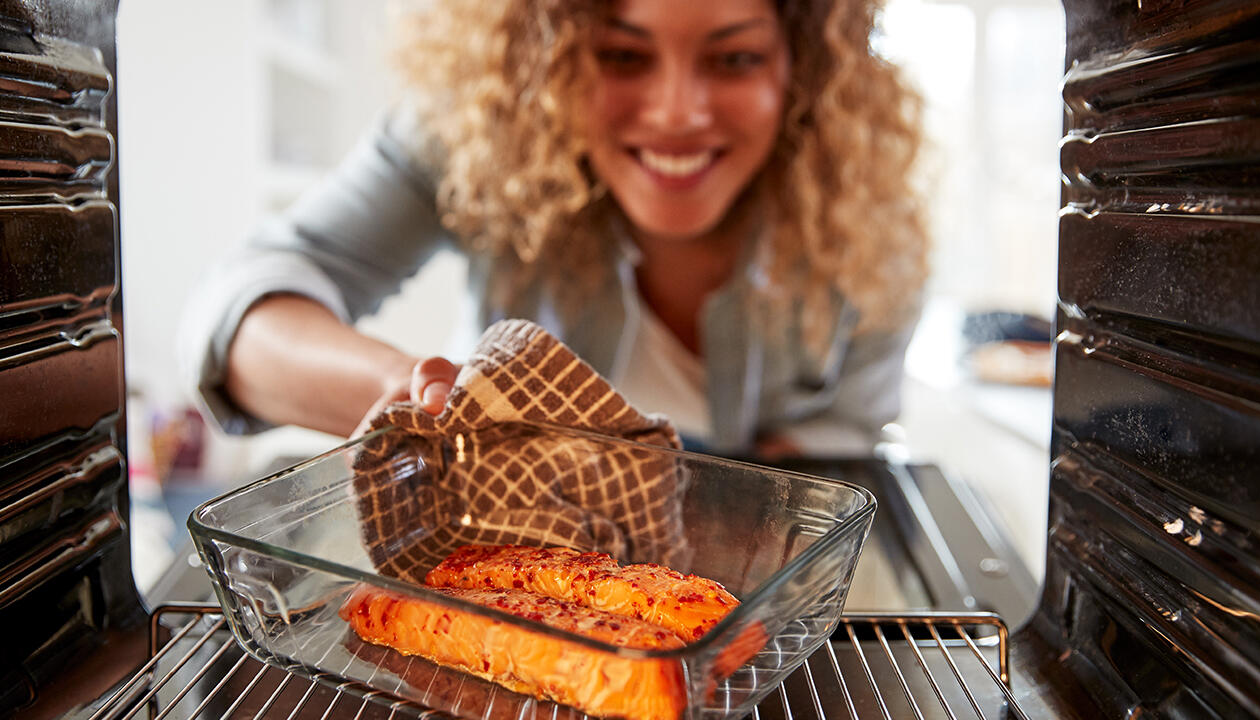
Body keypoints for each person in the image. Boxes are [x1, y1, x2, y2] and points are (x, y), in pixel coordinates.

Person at [179, 0, 926, 457]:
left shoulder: (866, 223)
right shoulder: (474, 136)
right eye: (622, 55)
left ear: (800, 67)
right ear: (551, 58)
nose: (676, 112)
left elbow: (836, 454)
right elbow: (238, 312)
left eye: (735, 57)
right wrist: (415, 398)